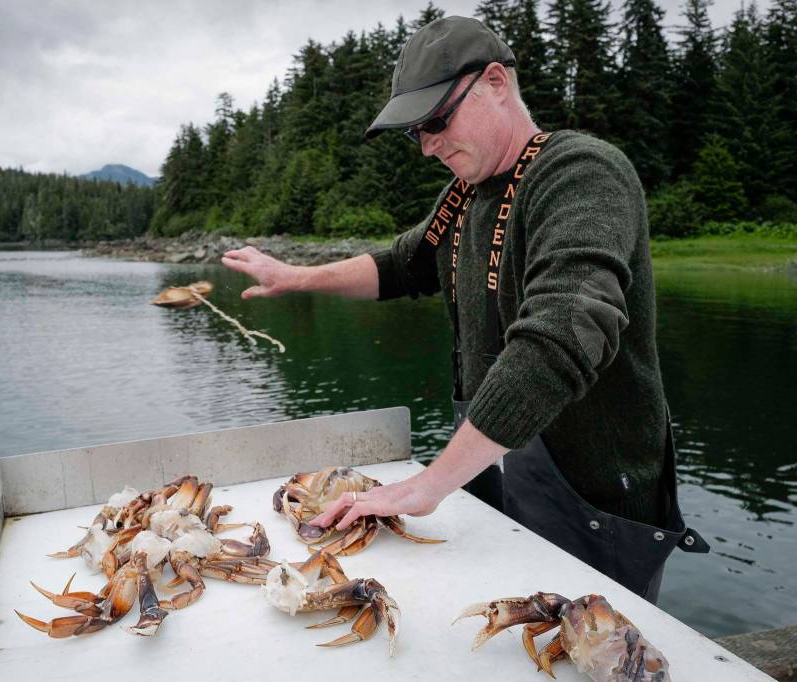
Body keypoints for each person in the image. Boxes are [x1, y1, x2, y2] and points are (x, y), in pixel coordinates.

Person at [221, 15, 706, 601]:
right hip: (492, 473)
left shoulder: (582, 172)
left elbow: (565, 331)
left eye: (437, 121)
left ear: (496, 82)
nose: (428, 146)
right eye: (415, 132)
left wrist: (428, 484)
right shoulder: (464, 196)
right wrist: (295, 277)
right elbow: (401, 265)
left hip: (594, 496)